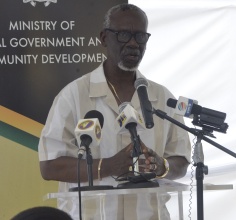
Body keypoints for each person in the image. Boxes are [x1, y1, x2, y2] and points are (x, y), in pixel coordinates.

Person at [38, 3, 191, 220]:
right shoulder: (73, 96)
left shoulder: (162, 98)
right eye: (123, 35)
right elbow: (50, 166)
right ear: (103, 38)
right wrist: (108, 166)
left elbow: (181, 161)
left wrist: (161, 166)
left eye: (140, 37)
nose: (132, 44)